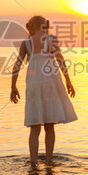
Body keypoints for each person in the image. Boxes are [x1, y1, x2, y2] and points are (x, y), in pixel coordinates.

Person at [10, 15, 77, 164]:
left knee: (34, 128)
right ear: (45, 26)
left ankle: (33, 161)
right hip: (52, 83)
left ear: (30, 27)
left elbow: (17, 65)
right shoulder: (51, 39)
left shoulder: (26, 43)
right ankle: (49, 161)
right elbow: (60, 60)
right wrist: (68, 80)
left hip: (34, 84)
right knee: (49, 126)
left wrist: (13, 87)